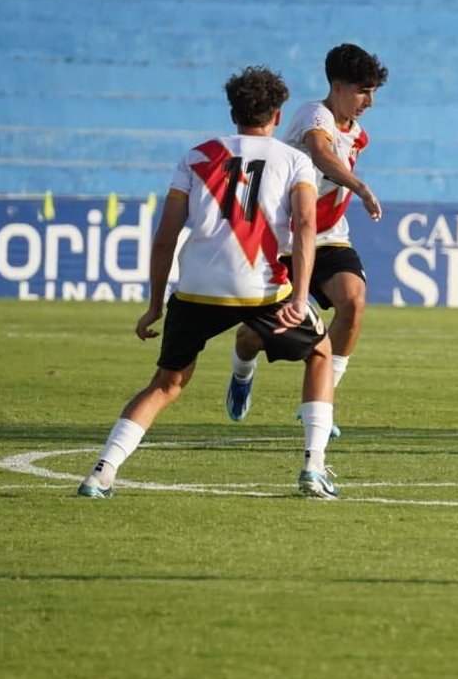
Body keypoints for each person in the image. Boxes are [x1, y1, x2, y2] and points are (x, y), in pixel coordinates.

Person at [78, 67, 339, 500]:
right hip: (262, 288)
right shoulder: (294, 160)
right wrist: (299, 294)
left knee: (165, 384)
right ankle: (313, 467)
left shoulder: (195, 157)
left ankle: (101, 472)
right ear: (277, 114)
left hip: (197, 289)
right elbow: (307, 224)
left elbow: (165, 237)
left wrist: (154, 305)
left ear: (233, 111)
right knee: (320, 352)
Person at [226, 43, 386, 437]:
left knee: (354, 300)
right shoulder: (313, 115)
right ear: (336, 85)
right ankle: (242, 372)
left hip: (329, 238)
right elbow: (319, 152)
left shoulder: (358, 134)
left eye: (373, 93)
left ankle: (321, 401)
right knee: (255, 337)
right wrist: (360, 187)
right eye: (362, 91)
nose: (369, 102)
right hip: (285, 242)